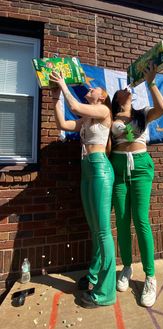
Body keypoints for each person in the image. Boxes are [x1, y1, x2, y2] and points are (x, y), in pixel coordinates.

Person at [49, 71, 116, 308]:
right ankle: (94, 275)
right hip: (87, 169)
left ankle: (106, 293)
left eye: (95, 88)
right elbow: (63, 123)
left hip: (100, 169)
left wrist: (64, 85)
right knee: (94, 228)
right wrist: (56, 96)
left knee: (103, 231)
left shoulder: (104, 111)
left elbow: (75, 106)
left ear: (102, 96)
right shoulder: (87, 121)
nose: (92, 88)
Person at [109, 63, 163, 307]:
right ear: (117, 99)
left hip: (141, 166)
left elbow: (162, 108)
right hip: (119, 167)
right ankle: (127, 268)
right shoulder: (109, 117)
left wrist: (151, 81)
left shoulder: (142, 113)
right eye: (122, 92)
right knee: (122, 220)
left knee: (140, 219)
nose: (126, 90)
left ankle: (150, 277)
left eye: (128, 90)